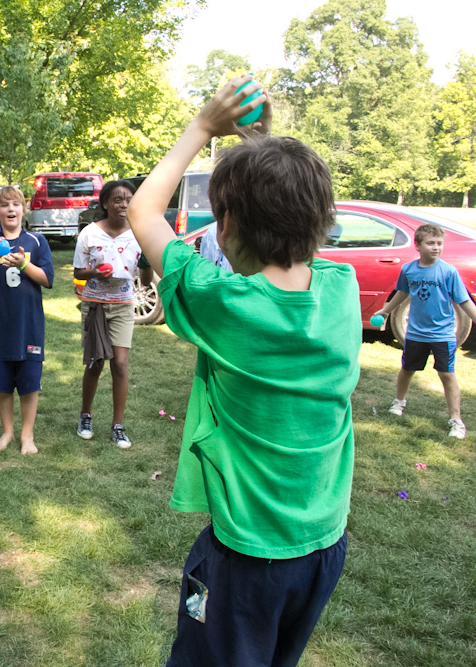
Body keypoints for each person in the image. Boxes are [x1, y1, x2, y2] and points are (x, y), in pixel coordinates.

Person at [127, 76, 359, 666]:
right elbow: (289, 229)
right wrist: (264, 146)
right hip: (322, 549)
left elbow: (143, 209)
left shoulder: (223, 303)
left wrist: (204, 127)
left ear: (224, 225)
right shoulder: (341, 290)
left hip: (247, 560)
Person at [372, 224, 476, 438]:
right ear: (418, 245)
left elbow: (464, 301)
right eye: (431, 243)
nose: (436, 248)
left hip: (443, 335)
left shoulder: (448, 272)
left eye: (439, 244)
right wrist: (385, 310)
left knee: (447, 374)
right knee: (407, 369)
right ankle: (399, 401)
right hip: (415, 334)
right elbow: (402, 293)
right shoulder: (409, 270)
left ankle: (456, 419)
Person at [0, 186, 54, 455]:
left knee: (29, 382)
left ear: (23, 209)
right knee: (2, 383)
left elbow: (47, 280)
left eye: (15, 204)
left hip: (29, 325)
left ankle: (27, 435)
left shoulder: (37, 241)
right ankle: (7, 431)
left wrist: (23, 264)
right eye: (4, 205)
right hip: (0, 325)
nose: (10, 209)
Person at [73, 179, 142, 449]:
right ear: (105, 203)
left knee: (121, 365)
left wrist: (147, 261)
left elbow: (144, 276)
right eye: (117, 199)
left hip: (123, 304)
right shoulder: (90, 233)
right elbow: (79, 272)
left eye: (128, 200)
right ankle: (85, 416)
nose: (124, 204)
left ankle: (118, 426)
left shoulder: (139, 233)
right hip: (95, 305)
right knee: (95, 362)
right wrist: (94, 272)